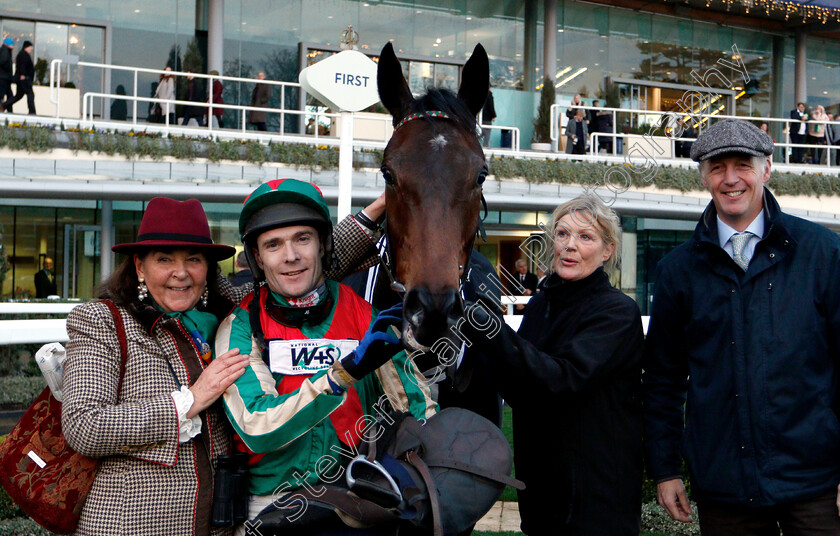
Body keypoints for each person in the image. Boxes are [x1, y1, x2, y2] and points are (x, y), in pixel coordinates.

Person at [643, 118, 840, 535]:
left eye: (743, 165)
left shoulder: (822, 253)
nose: (730, 179)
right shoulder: (678, 271)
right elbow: (663, 380)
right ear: (703, 176)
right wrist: (665, 470)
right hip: (725, 486)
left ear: (767, 169)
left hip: (815, 483)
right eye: (717, 167)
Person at [215, 179, 435, 533]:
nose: (291, 256)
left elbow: (416, 406)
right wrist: (340, 375)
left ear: (323, 245)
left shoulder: (366, 315)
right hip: (271, 503)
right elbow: (257, 427)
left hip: (355, 498)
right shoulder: (240, 327)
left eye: (303, 238)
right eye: (273, 245)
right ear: (256, 257)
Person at [61, 197, 251, 535]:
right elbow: (83, 425)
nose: (181, 273)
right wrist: (190, 400)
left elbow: (291, 270)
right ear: (139, 266)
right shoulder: (102, 320)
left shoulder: (224, 314)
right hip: (130, 525)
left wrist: (370, 217)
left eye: (193, 259)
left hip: (217, 522)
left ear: (208, 268)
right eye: (164, 259)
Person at [460, 193, 644, 535]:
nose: (570, 245)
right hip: (541, 495)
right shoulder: (541, 303)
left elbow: (562, 378)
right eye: (562, 234)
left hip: (596, 502)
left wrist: (492, 328)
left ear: (607, 251)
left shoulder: (617, 313)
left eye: (585, 237)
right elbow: (518, 386)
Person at [5, 40, 35, 115]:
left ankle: (3, 105)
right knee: (30, 94)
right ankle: (32, 112)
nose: (31, 50)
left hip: (23, 78)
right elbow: (22, 65)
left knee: (18, 96)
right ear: (27, 47)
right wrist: (23, 74)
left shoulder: (23, 54)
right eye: (30, 48)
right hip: (24, 79)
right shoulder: (23, 55)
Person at [0, 37, 14, 111]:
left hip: (5, 77)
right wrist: (8, 70)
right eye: (12, 44)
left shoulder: (4, 50)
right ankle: (7, 110)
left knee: (9, 96)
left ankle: (9, 111)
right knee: (8, 96)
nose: (13, 46)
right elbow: (3, 62)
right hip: (4, 78)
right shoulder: (5, 51)